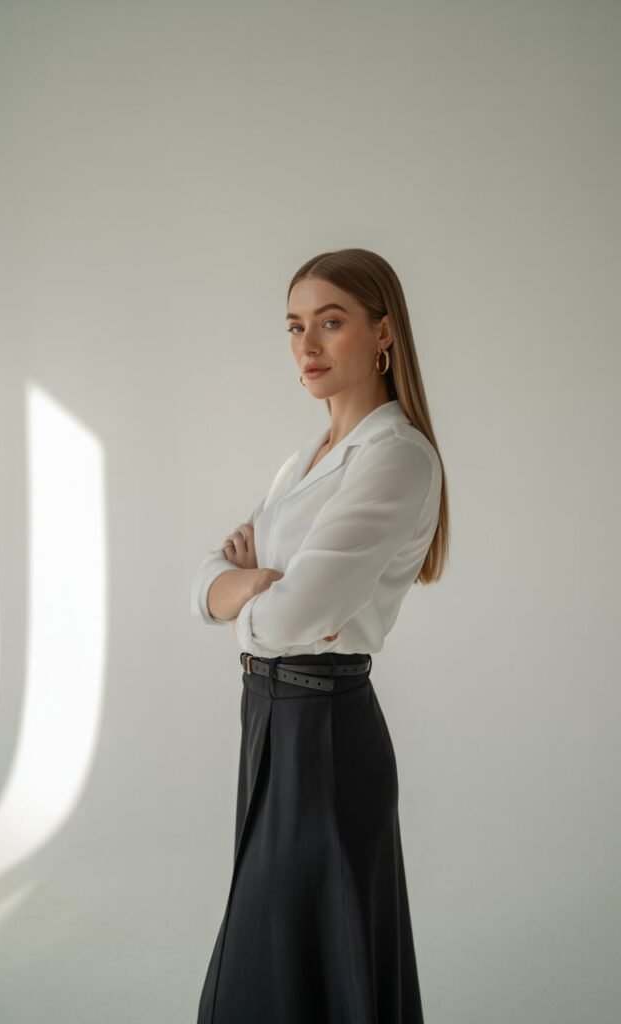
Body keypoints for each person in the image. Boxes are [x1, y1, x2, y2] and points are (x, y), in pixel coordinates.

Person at [191, 247, 449, 1023]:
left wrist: (251, 591)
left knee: (300, 963)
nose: (306, 345)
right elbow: (207, 580)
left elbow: (291, 617)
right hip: (267, 721)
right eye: (296, 326)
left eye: (330, 323)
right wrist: (246, 587)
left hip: (326, 734)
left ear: (383, 333)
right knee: (269, 955)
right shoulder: (302, 462)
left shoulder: (398, 459)